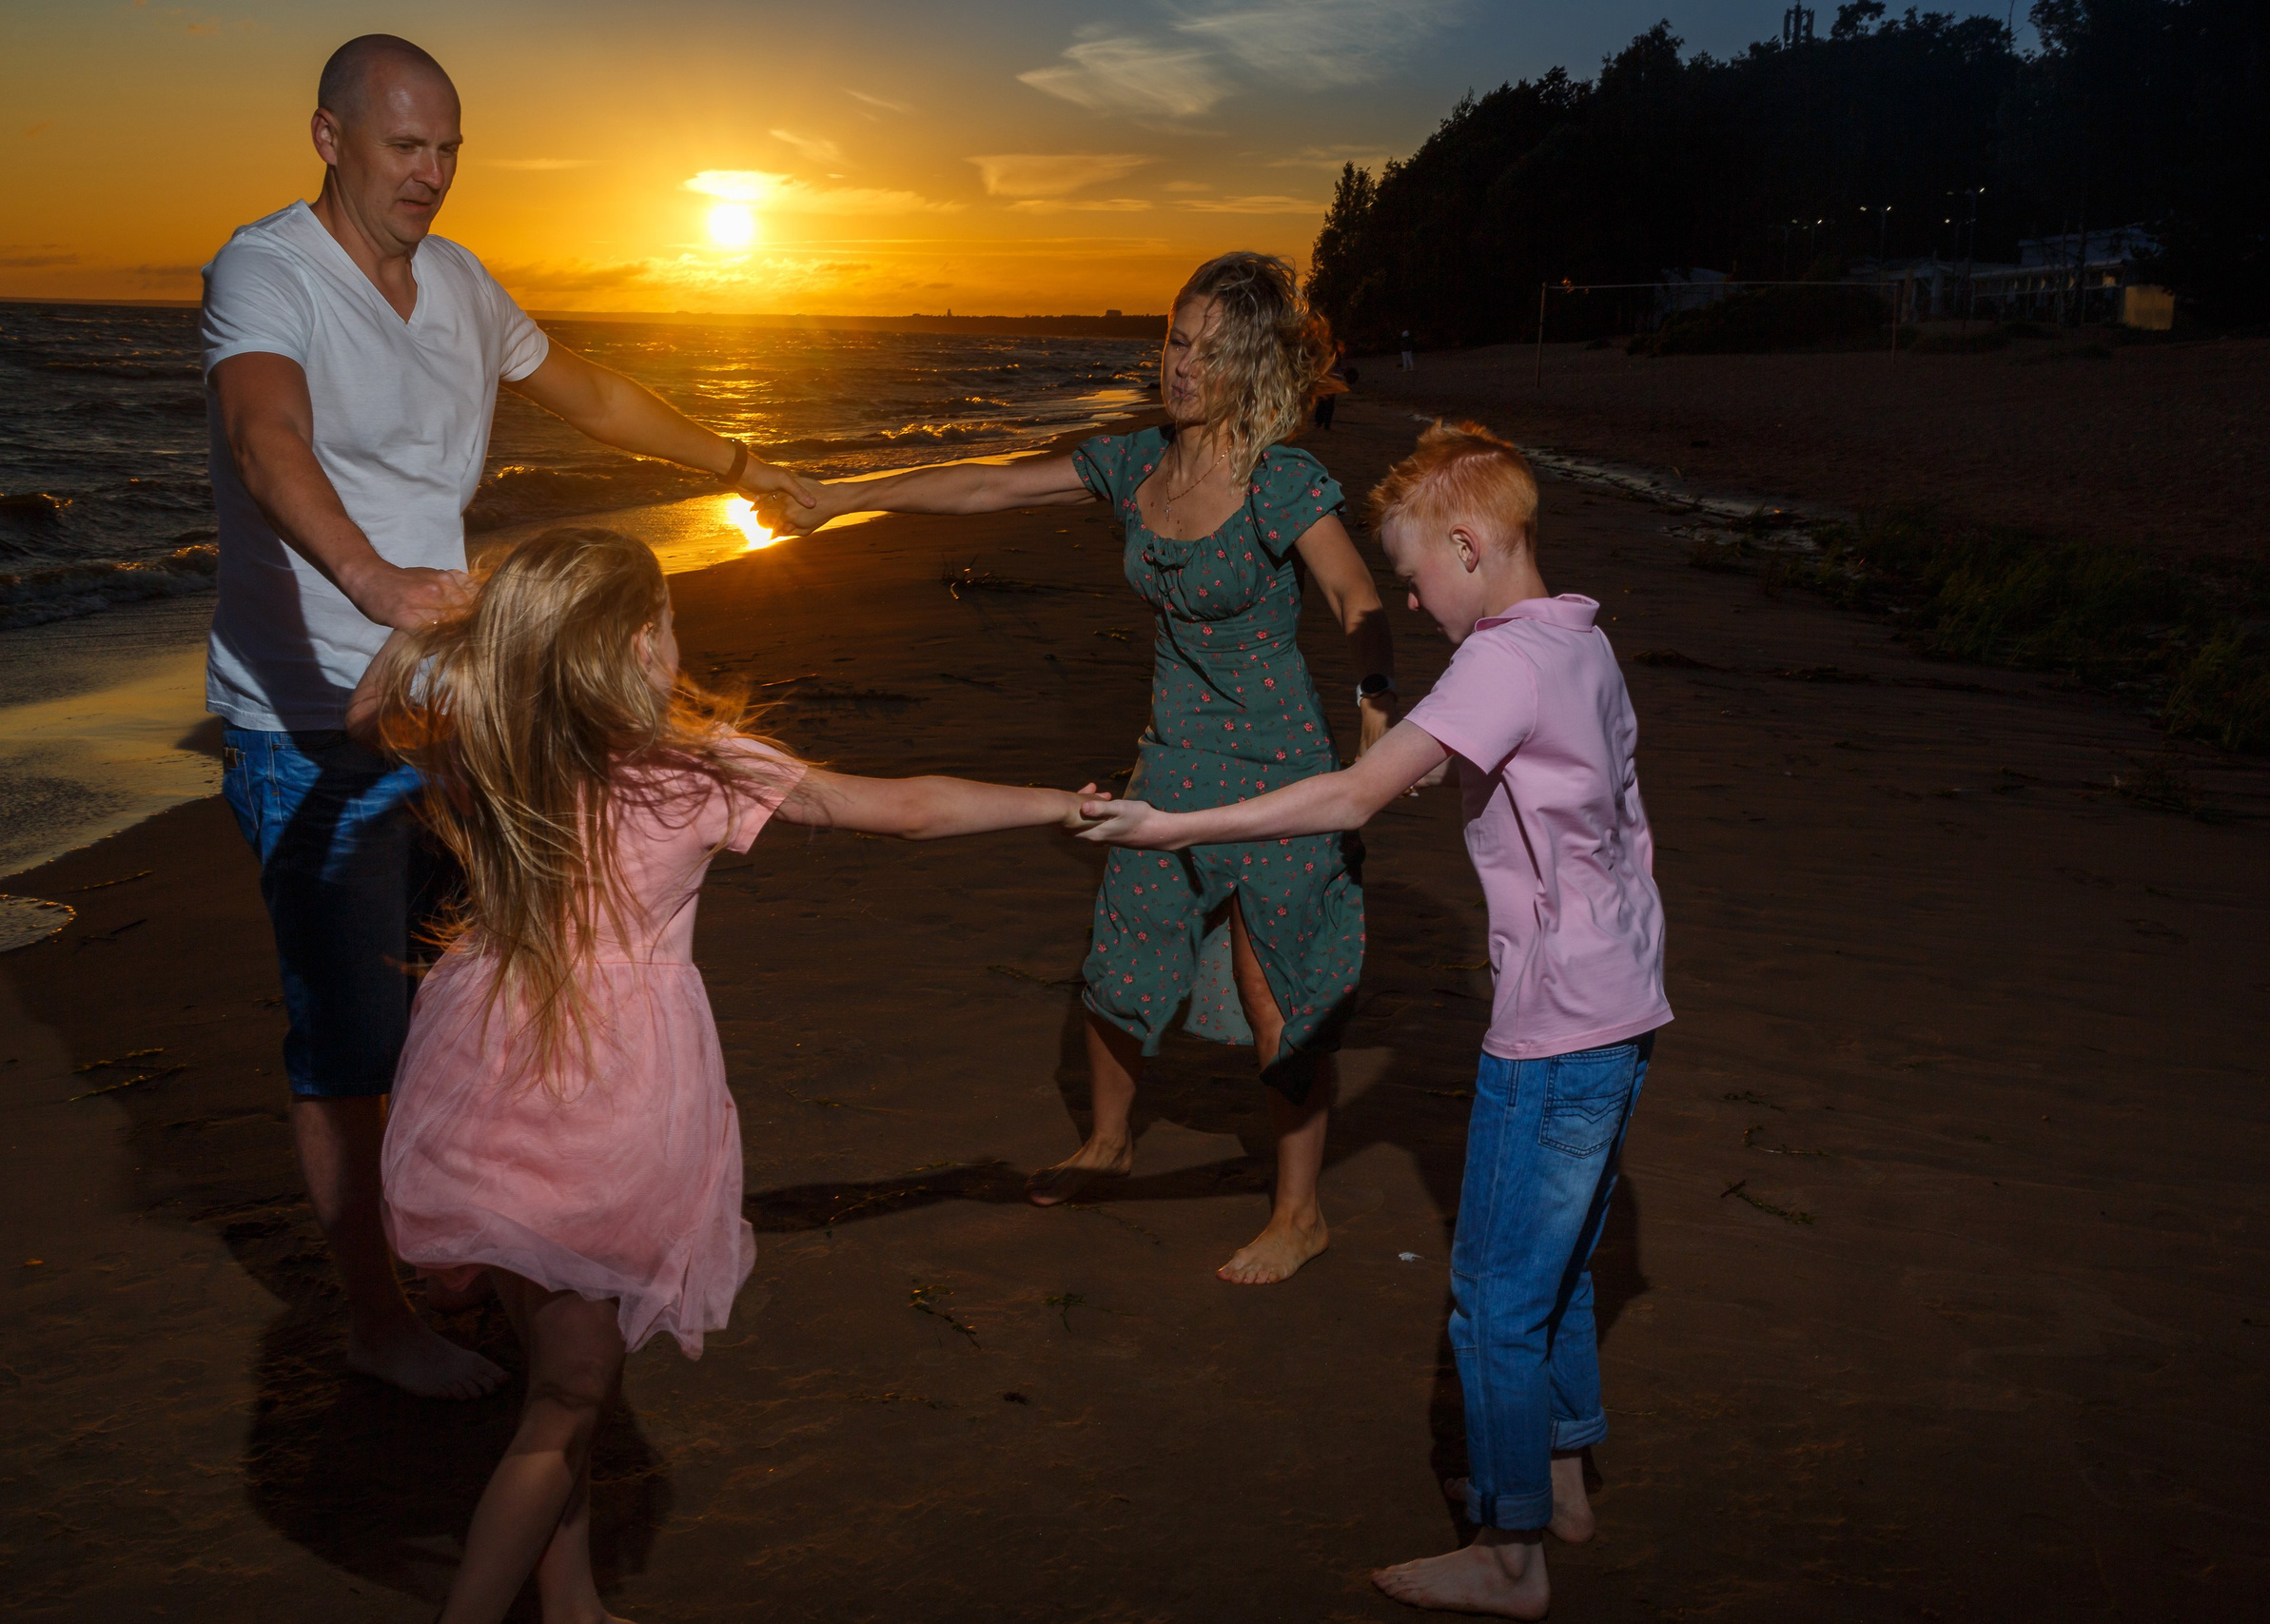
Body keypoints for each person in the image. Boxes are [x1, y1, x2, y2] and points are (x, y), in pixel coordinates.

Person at [201, 34, 820, 1398]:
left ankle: (460, 1241)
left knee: (473, 992)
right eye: (403, 146)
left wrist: (736, 458)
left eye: (448, 150)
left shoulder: (464, 287)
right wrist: (372, 580)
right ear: (329, 137)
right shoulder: (268, 271)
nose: (429, 174)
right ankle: (377, 1317)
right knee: (352, 1042)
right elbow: (264, 437)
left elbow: (586, 390)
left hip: (456, 717)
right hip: (310, 728)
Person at [350, 526, 1106, 1624]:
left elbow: (367, 717)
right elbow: (900, 810)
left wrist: (437, 614)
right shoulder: (696, 767)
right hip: (605, 1096)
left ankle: (572, 1605)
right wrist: (1058, 805)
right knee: (570, 1392)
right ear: (636, 642)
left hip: (488, 1065)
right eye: (666, 621)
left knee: (565, 1371)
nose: (674, 640)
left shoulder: (498, 738)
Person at [1078, 421, 1671, 1619]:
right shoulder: (1578, 639)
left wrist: (1169, 824)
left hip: (1555, 1028)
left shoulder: (1500, 666)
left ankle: (1509, 1555)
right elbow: (1472, 772)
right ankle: (1559, 1483)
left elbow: (1355, 797)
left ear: (1471, 545)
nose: (1404, 596)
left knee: (1493, 1297)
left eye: (1414, 570)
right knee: (1556, 1270)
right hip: (1624, 1008)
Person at [770, 252, 1388, 1285]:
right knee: (1121, 954)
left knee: (1273, 987)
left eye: (1209, 351)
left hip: (1281, 767)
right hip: (1171, 757)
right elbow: (988, 483)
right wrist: (840, 495)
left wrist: (1376, 707)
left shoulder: (1279, 482)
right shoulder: (1136, 463)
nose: (1182, 366)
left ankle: (1300, 1213)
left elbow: (1354, 595)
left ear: (1251, 368)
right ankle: (1107, 1142)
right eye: (1175, 340)